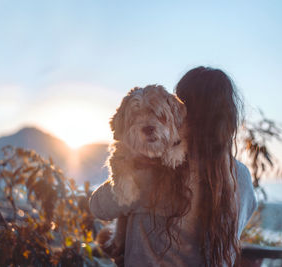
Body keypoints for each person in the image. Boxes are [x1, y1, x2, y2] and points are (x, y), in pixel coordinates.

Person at [89, 66, 257, 267]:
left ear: (181, 112)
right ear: (229, 118)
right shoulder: (241, 177)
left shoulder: (154, 170)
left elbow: (98, 207)